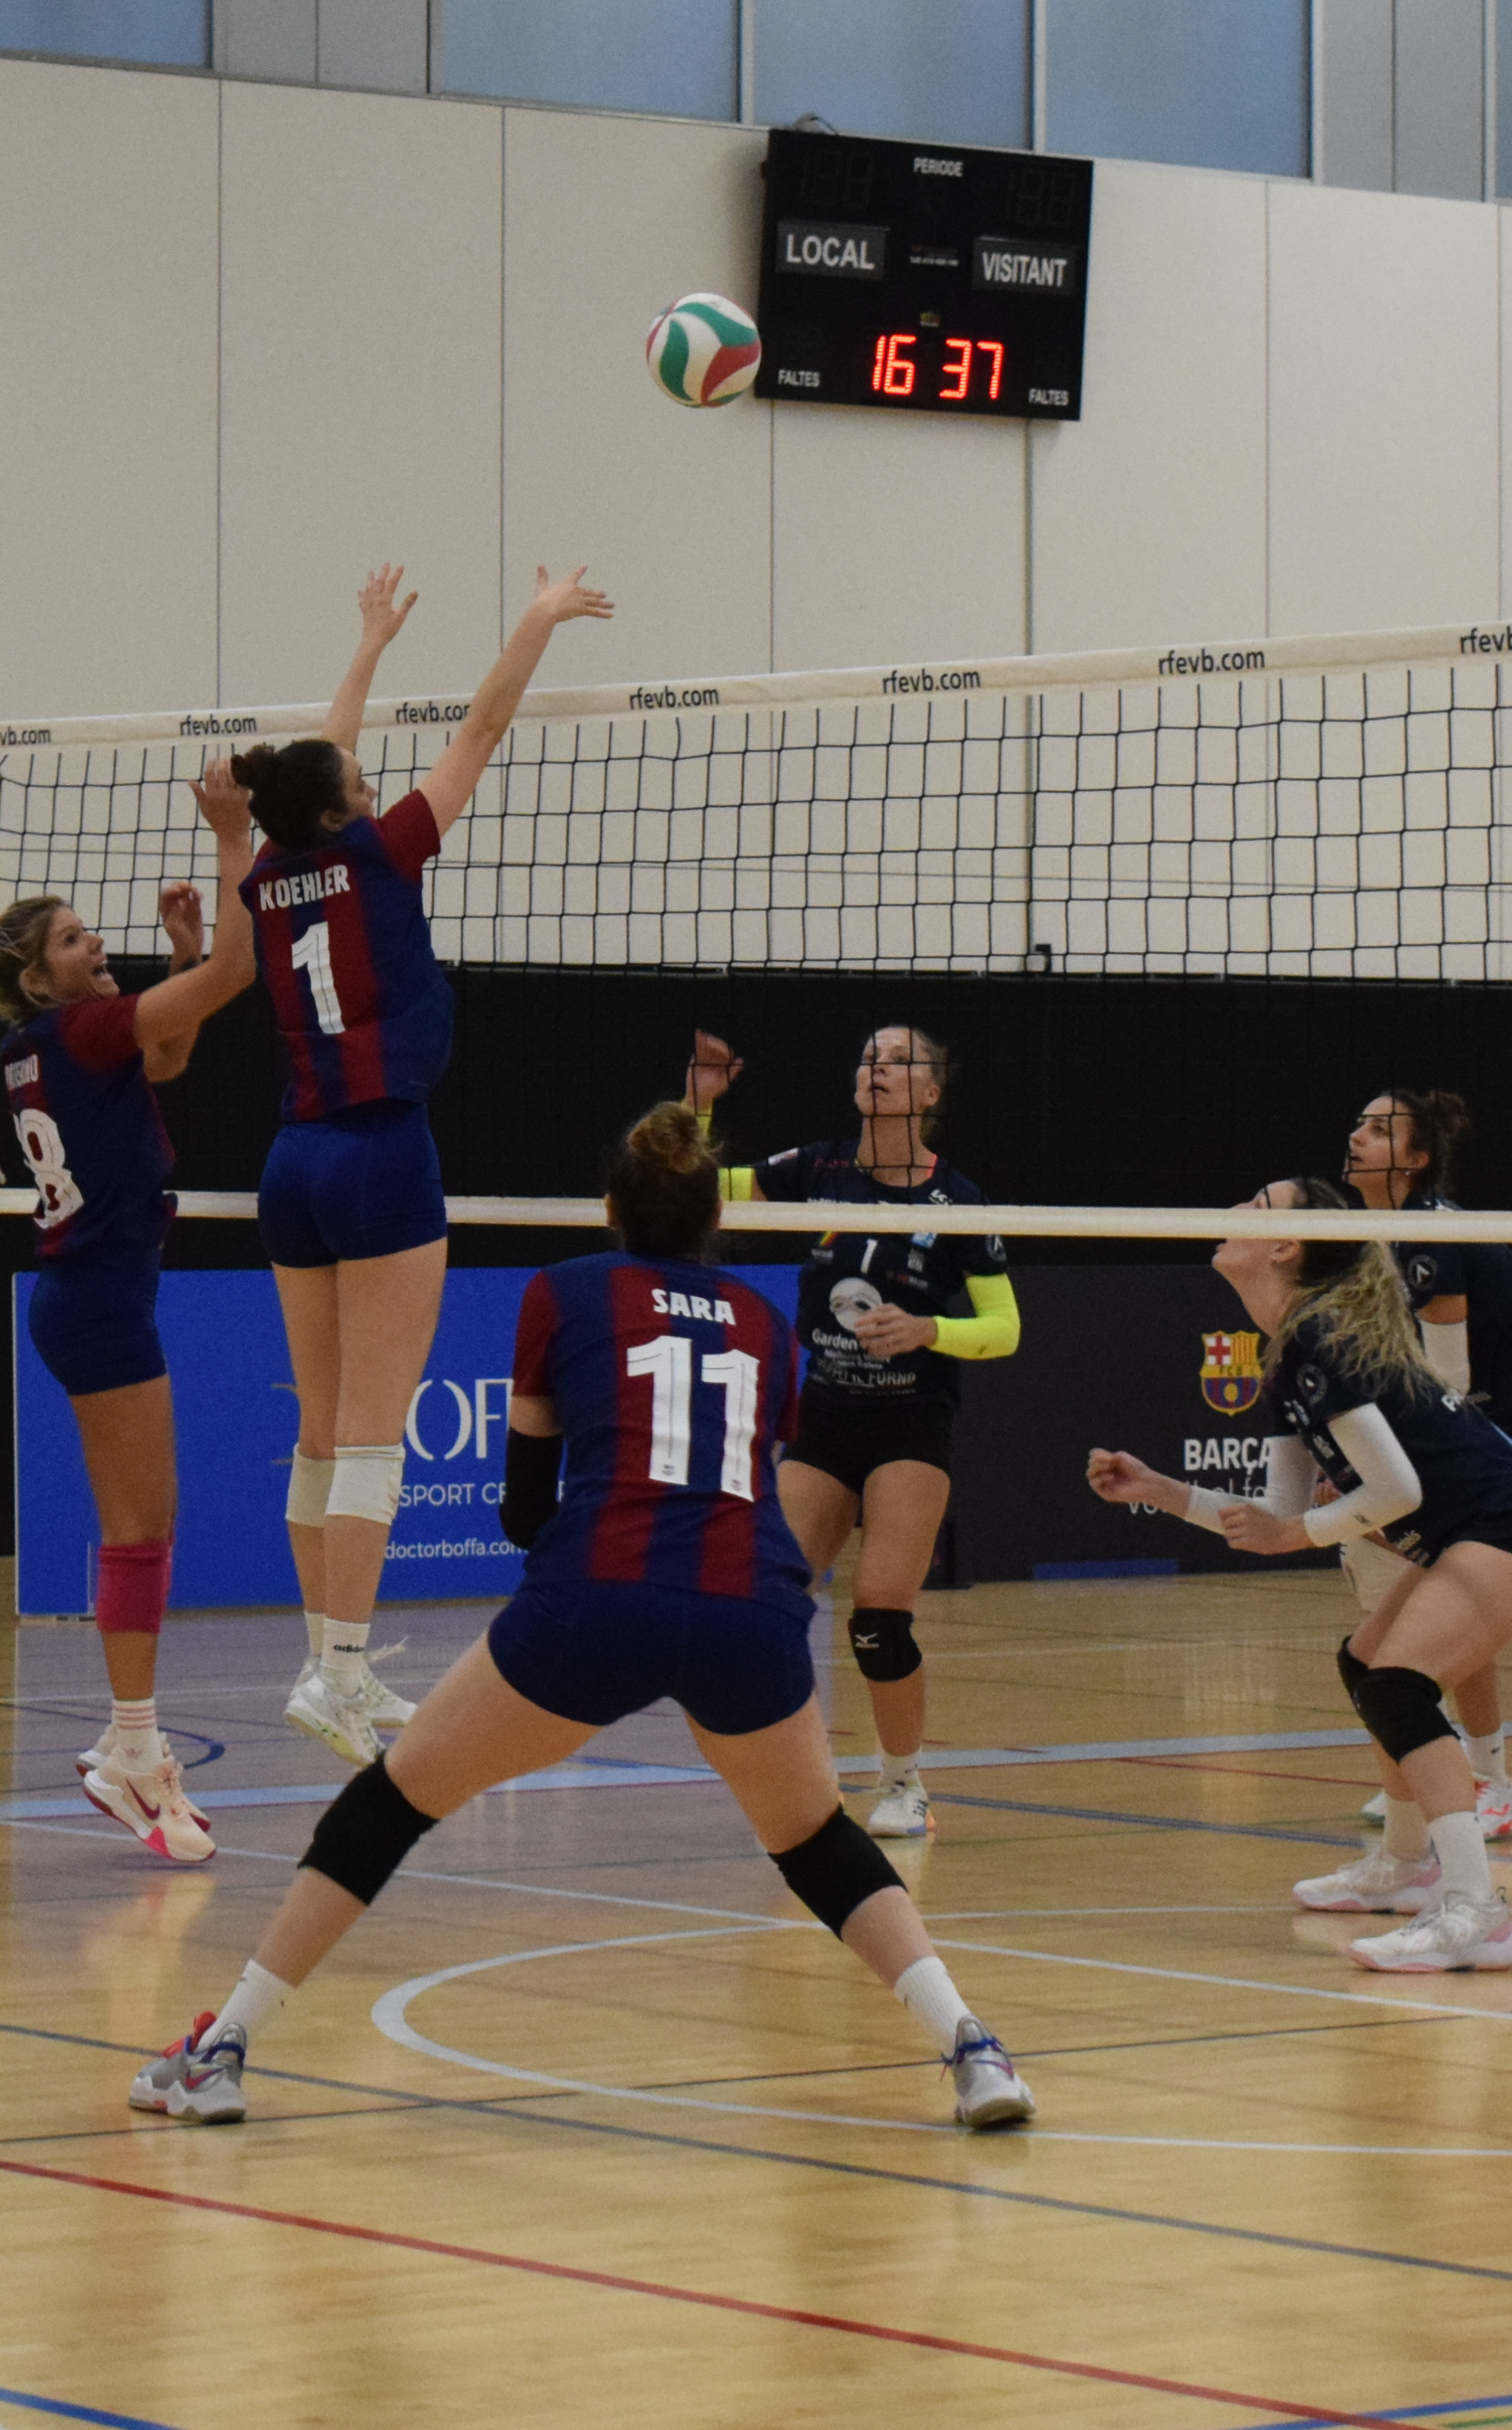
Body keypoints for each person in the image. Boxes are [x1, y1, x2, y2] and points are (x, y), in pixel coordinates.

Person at [126, 1101, 1034, 2131]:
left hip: (599, 1595)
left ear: (610, 1209)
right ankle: (974, 2047)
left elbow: (523, 1507)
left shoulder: (562, 1293)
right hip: (751, 1604)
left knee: (388, 1805)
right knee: (817, 1840)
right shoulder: (764, 1324)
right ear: (715, 1224)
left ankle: (224, 2047)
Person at [235, 561, 611, 1763]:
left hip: (292, 1160)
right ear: (348, 806)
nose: (378, 777)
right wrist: (538, 618)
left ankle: (324, 1657)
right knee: (371, 1435)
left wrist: (367, 646)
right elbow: (485, 726)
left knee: (321, 1434)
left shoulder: (269, 874)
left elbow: (313, 766)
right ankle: (339, 1668)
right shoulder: (387, 851)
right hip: (382, 1153)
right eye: (362, 779)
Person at [0, 758, 256, 1864]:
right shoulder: (80, 1034)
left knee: (147, 1525)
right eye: (77, 941)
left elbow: (174, 1050)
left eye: (95, 935)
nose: (98, 946)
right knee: (142, 1531)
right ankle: (131, 1751)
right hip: (98, 1299)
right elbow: (243, 970)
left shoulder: (49, 1043)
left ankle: (131, 1746)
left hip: (90, 1294)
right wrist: (234, 838)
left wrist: (180, 960)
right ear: (42, 979)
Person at [1086, 1181, 1512, 1971]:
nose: (1237, 1209)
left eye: (1259, 1203)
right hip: (1471, 1525)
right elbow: (1275, 1513)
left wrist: (1298, 1533)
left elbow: (1396, 1492)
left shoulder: (1321, 1336)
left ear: (1287, 1246)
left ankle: (1477, 1911)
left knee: (1399, 1683)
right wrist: (1160, 1489)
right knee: (1366, 1666)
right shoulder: (1288, 1347)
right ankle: (1405, 1863)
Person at [681, 1024, 1021, 1839]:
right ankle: (799, 1770)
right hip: (827, 1414)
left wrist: (930, 1329)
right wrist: (696, 1105)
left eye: (902, 1060)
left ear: (931, 1094)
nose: (881, 1067)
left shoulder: (960, 1201)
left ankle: (905, 1783)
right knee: (774, 1601)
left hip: (912, 1421)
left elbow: (1004, 1327)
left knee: (878, 1619)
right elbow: (690, 1189)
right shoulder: (816, 1168)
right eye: (869, 1055)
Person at [1338, 1088, 1512, 1840]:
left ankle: (1489, 1782)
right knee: (1427, 1594)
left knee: (1447, 1583)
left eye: (1381, 1129)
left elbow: (1443, 1387)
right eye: (1358, 1122)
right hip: (1498, 1435)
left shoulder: (1425, 1237)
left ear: (1416, 1159)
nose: (1358, 1136)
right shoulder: (1374, 1232)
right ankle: (1437, 1775)